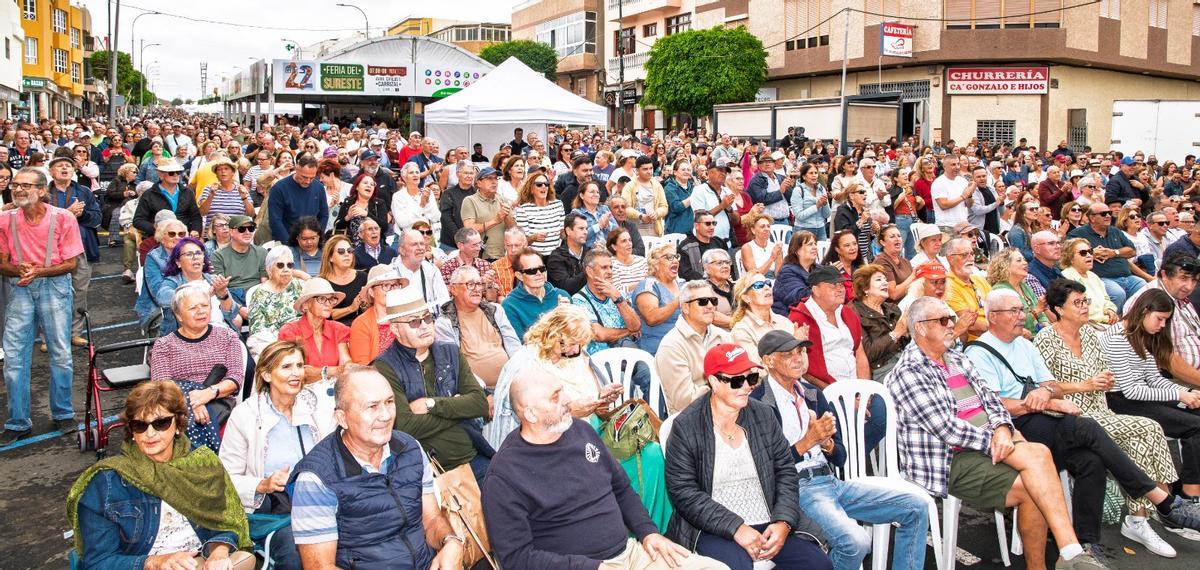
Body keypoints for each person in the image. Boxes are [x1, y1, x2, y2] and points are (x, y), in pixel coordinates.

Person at [967, 288, 1200, 561]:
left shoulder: (1025, 345)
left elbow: (1050, 385)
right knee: (1088, 427)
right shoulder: (979, 352)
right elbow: (994, 404)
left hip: (1048, 419)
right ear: (993, 317)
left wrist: (1048, 394)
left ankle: (1085, 545)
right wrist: (1050, 401)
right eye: (1014, 311)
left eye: (1021, 309)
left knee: (1091, 460)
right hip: (1016, 425)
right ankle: (1162, 500)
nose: (1023, 316)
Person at [887, 296, 1110, 570]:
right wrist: (995, 440)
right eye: (943, 320)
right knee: (1036, 470)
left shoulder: (956, 358)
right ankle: (1068, 554)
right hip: (948, 460)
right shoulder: (909, 371)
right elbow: (946, 428)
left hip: (986, 443)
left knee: (1037, 463)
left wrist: (1004, 429)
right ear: (920, 328)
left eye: (952, 319)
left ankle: (1067, 552)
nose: (951, 326)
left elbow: (992, 400)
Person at [484, 366, 713, 569]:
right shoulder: (504, 476)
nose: (567, 400)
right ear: (531, 414)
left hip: (632, 554)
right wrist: (590, 567)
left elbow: (621, 488)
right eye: (555, 397)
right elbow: (516, 558)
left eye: (562, 390)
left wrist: (648, 532)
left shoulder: (581, 432)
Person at [1037, 279, 1200, 551]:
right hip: (1072, 414)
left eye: (1085, 300)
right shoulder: (1046, 338)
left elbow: (1119, 378)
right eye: (1077, 303)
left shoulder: (1090, 335)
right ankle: (1161, 509)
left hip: (1101, 408)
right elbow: (1043, 386)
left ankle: (1141, 517)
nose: (1084, 306)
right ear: (1059, 309)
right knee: (1145, 429)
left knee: (1149, 428)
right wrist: (1085, 385)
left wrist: (1104, 381)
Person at [752, 331, 928, 569]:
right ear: (769, 361)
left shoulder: (813, 395)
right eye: (788, 354)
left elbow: (841, 457)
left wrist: (827, 443)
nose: (798, 359)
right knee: (855, 542)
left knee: (916, 507)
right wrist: (808, 440)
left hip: (830, 481)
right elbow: (766, 466)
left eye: (801, 352)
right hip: (797, 488)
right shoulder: (758, 403)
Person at [663, 342, 829, 569]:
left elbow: (786, 472)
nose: (747, 387)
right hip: (712, 526)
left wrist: (783, 521)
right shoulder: (686, 426)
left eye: (751, 378)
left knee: (818, 564)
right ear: (713, 381)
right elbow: (684, 492)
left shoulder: (763, 415)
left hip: (769, 518)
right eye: (736, 380)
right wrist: (736, 528)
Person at [289, 366, 466, 569]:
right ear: (342, 418)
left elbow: (432, 520)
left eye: (389, 402)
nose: (386, 415)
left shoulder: (410, 448)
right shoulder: (316, 478)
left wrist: (450, 541)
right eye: (372, 406)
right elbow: (320, 567)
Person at [67, 381, 253, 569]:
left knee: (243, 559)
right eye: (140, 425)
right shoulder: (106, 482)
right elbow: (97, 562)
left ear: (178, 424)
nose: (150, 433)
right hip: (143, 565)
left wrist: (219, 552)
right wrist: (153, 562)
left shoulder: (203, 464)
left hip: (199, 561)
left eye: (161, 423)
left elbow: (226, 523)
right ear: (131, 431)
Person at [219, 340, 334, 568]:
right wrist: (263, 484)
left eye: (299, 366)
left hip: (320, 499)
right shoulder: (246, 415)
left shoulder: (316, 406)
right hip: (274, 509)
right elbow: (225, 479)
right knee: (296, 544)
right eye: (286, 367)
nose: (296, 374)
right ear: (267, 375)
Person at [371, 285, 490, 481]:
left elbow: (479, 404)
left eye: (427, 318)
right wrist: (459, 410)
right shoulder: (385, 366)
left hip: (472, 456)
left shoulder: (450, 351)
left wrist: (432, 404)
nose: (425, 325)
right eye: (414, 322)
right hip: (426, 471)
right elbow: (404, 426)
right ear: (395, 328)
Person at [0, 167, 81, 443]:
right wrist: (17, 268)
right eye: (16, 185)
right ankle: (18, 421)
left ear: (42, 191)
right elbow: (1, 263)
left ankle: (63, 413)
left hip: (54, 286)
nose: (19, 190)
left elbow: (71, 264)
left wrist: (39, 271)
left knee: (60, 352)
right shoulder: (5, 219)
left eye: (26, 185)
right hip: (20, 287)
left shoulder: (63, 218)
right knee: (13, 356)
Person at [1101, 290, 1200, 498]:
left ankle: (1189, 487)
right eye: (1160, 319)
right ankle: (1191, 495)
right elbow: (1131, 390)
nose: (1162, 325)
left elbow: (1154, 380)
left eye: (1166, 321)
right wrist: (1180, 396)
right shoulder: (1117, 337)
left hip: (1139, 396)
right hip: (1119, 401)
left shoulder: (1142, 335)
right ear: (1145, 311)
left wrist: (1186, 391)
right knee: (1195, 427)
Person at [149, 284, 246, 452]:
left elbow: (235, 378)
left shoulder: (227, 336)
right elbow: (162, 386)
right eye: (193, 308)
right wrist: (193, 402)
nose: (201, 311)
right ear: (178, 315)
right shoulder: (164, 345)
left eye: (205, 306)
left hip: (220, 403)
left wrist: (207, 394)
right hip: (178, 406)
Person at [435, 265, 521, 387]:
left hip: (510, 383)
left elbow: (514, 346)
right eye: (470, 284)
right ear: (453, 289)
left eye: (479, 284)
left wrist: (520, 375)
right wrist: (480, 392)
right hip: (476, 390)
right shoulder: (444, 323)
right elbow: (453, 364)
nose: (476, 289)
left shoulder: (495, 310)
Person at [656, 280, 733, 415]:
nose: (710, 306)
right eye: (703, 301)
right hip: (693, 418)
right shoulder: (671, 346)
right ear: (686, 308)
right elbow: (684, 401)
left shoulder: (722, 336)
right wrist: (725, 387)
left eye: (713, 301)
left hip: (727, 408)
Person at [1124, 252, 1200, 383]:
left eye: (1194, 280)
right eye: (1183, 278)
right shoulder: (1148, 301)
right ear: (1164, 275)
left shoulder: (1178, 295)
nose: (1189, 286)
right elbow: (1165, 358)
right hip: (1174, 381)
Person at [1068, 202, 1146, 310]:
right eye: (1103, 214)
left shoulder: (1114, 231)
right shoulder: (1078, 234)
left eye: (1109, 213)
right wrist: (1090, 253)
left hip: (1127, 276)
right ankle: (1112, 323)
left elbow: (1132, 251)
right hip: (1102, 278)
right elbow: (1068, 255)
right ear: (1092, 217)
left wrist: (1114, 253)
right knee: (1118, 294)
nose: (1108, 216)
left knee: (1144, 287)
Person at [156, 237, 239, 336]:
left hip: (221, 332)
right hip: (189, 337)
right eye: (189, 254)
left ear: (204, 259)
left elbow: (232, 314)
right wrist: (204, 294)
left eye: (198, 253)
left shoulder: (213, 279)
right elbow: (162, 298)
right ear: (178, 262)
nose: (195, 257)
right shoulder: (172, 282)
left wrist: (223, 294)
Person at [278, 278, 351, 384]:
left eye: (331, 299)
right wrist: (335, 370)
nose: (328, 304)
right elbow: (297, 373)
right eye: (321, 299)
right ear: (306, 305)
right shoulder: (290, 331)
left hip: (334, 390)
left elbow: (347, 363)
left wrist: (320, 372)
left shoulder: (338, 329)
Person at [571, 248, 642, 354]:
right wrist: (628, 331)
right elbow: (600, 334)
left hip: (627, 352)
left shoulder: (616, 294)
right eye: (604, 268)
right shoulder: (579, 300)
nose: (610, 272)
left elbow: (636, 325)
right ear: (590, 272)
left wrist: (618, 298)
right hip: (601, 359)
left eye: (611, 267)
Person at [730, 272, 809, 364]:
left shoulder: (784, 322)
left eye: (768, 283)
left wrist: (799, 346)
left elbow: (803, 367)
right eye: (759, 285)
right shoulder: (742, 330)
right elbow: (757, 370)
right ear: (746, 298)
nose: (767, 287)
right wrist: (792, 346)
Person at [850, 264, 909, 380]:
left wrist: (908, 333)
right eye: (878, 280)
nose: (885, 283)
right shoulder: (855, 313)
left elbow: (905, 343)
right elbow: (869, 353)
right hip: (882, 370)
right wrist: (895, 334)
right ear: (865, 288)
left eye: (885, 279)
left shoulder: (892, 308)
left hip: (904, 360)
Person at [987, 247, 1051, 339]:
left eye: (1024, 260)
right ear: (1005, 266)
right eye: (1019, 260)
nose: (1025, 263)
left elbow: (1042, 316)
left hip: (1039, 336)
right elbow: (1012, 323)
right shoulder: (1001, 292)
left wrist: (1046, 327)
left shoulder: (1024, 286)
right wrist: (1036, 311)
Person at [132, 159, 203, 237]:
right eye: (171, 173)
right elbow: (138, 220)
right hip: (158, 238)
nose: (176, 175)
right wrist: (157, 229)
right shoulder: (149, 194)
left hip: (184, 236)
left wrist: (195, 230)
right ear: (161, 175)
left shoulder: (188, 192)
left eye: (178, 172)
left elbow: (195, 216)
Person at [1060, 237, 1120, 328]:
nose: (1089, 255)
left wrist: (1110, 309)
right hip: (1087, 326)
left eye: (1090, 252)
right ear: (1070, 258)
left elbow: (1106, 299)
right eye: (1083, 253)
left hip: (1105, 323)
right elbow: (1076, 311)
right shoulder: (1067, 278)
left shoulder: (1093, 276)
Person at [267, 154, 328, 242]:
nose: (307, 181)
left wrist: (316, 238)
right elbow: (275, 220)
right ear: (296, 169)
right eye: (304, 177)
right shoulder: (279, 188)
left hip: (312, 242)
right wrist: (289, 244)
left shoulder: (319, 187)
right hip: (287, 241)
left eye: (311, 178)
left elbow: (324, 215)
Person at [212, 215, 270, 305]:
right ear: (231, 232)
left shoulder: (262, 252)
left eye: (251, 228)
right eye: (241, 229)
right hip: (232, 296)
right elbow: (221, 289)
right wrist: (238, 309)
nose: (247, 232)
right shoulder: (218, 255)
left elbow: (265, 282)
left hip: (257, 294)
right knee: (236, 319)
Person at [943, 237, 991, 341]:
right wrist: (1001, 326)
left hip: (997, 333)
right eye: (964, 255)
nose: (970, 258)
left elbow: (999, 307)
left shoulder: (979, 280)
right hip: (976, 343)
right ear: (949, 258)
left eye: (972, 254)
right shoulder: (947, 286)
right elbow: (972, 324)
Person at [461, 166, 511, 260]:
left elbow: (513, 229)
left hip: (503, 256)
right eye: (489, 178)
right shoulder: (470, 201)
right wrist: (496, 221)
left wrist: (506, 216)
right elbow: (469, 230)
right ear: (478, 183)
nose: (494, 182)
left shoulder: (502, 199)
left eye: (496, 178)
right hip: (481, 257)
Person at [513, 169, 566, 256]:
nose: (543, 186)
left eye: (546, 184)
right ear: (531, 189)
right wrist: (534, 237)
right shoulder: (523, 210)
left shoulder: (558, 204)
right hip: (534, 257)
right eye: (539, 184)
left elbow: (562, 233)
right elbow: (522, 242)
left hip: (556, 257)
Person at [773, 231, 819, 316]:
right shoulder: (786, 272)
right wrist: (825, 284)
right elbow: (798, 299)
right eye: (810, 244)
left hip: (812, 314)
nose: (814, 247)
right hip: (789, 318)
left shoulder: (818, 269)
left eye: (815, 244)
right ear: (797, 250)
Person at [438, 227, 495, 294]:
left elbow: (492, 299)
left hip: (484, 304)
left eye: (480, 243)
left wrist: (489, 284)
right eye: (474, 245)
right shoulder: (448, 268)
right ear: (460, 246)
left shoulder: (485, 265)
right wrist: (480, 281)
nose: (479, 248)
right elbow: (451, 295)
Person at [623, 155, 669, 237]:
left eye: (651, 168)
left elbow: (664, 207)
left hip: (654, 229)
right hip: (634, 230)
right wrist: (640, 216)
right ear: (637, 170)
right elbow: (625, 208)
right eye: (645, 169)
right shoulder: (629, 186)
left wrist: (657, 213)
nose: (649, 171)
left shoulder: (657, 185)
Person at [679, 211, 731, 282]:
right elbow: (686, 273)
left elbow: (728, 264)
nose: (712, 227)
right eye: (708, 224)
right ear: (696, 226)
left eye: (714, 223)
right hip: (699, 287)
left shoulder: (719, 242)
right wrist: (709, 281)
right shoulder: (686, 247)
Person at [438, 161, 478, 251]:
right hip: (450, 245)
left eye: (471, 173)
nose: (469, 176)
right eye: (466, 173)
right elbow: (446, 219)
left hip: (473, 244)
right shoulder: (448, 194)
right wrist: (461, 239)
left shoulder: (477, 193)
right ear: (458, 174)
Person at [547, 212, 589, 294]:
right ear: (568, 231)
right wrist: (589, 270)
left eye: (586, 229)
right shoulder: (556, 258)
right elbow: (566, 288)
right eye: (581, 228)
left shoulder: (590, 253)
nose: (586, 232)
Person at [790, 162, 832, 240]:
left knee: (821, 252)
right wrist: (817, 206)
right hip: (803, 230)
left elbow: (827, 215)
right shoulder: (798, 190)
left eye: (816, 173)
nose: (814, 175)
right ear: (804, 176)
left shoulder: (821, 188)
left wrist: (825, 204)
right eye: (811, 173)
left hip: (821, 229)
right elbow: (799, 216)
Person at [874, 224, 915, 302]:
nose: (897, 239)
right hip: (892, 310)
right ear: (883, 242)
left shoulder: (905, 261)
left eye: (899, 236)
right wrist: (913, 276)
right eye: (892, 237)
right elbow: (893, 294)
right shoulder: (881, 261)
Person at [931, 155, 971, 230]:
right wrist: (962, 197)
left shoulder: (963, 181)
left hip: (963, 224)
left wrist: (970, 195)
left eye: (958, 164)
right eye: (953, 164)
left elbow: (969, 205)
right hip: (946, 226)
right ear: (944, 166)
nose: (957, 167)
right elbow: (943, 205)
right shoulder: (939, 183)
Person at [610, 227, 649, 296]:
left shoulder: (642, 261)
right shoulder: (611, 264)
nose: (629, 244)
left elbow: (650, 283)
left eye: (630, 240)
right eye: (624, 241)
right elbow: (617, 290)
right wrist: (641, 284)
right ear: (614, 247)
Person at [702, 249, 736, 329]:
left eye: (727, 262)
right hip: (720, 336)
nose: (725, 266)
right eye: (719, 263)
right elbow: (712, 316)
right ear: (707, 268)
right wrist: (741, 325)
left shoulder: (737, 287)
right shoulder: (703, 290)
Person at [1027, 230, 1066, 296]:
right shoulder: (1031, 275)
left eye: (1058, 243)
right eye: (1051, 243)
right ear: (1037, 249)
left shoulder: (1055, 269)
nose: (1058, 247)